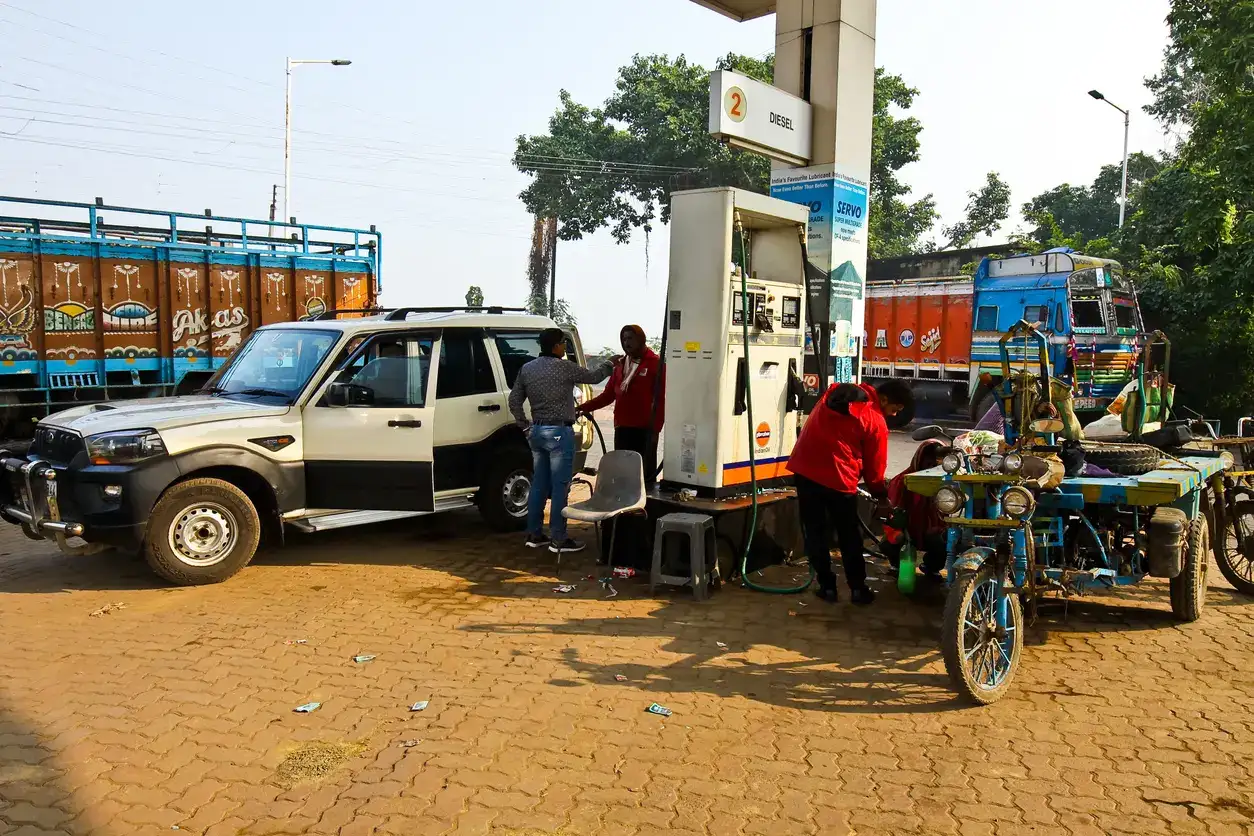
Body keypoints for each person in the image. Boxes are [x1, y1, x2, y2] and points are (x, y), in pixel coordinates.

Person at [787, 379, 912, 604]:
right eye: (895, 409)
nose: (893, 415)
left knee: (814, 532)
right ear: (884, 399)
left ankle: (826, 588)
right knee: (849, 536)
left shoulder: (834, 392)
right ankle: (857, 589)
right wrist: (880, 495)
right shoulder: (875, 420)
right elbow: (876, 466)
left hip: (805, 470)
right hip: (838, 478)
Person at [509, 328, 616, 553]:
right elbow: (594, 377)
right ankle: (559, 539)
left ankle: (534, 534)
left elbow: (514, 401)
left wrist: (526, 427)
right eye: (563, 344)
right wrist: (609, 364)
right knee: (560, 487)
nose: (565, 348)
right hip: (559, 433)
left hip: (537, 432)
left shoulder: (527, 369)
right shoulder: (564, 368)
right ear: (556, 346)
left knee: (539, 484)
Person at [576, 324, 665, 483]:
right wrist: (583, 408)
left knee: (644, 474)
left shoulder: (655, 364)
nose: (626, 343)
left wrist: (656, 428)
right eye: (624, 339)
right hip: (623, 427)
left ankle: (646, 505)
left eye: (630, 338)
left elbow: (662, 399)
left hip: (645, 429)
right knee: (624, 471)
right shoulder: (620, 365)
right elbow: (608, 396)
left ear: (641, 339)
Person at [883, 439, 947, 579]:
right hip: (906, 528)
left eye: (935, 461)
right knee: (891, 541)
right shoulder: (901, 481)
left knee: (945, 541)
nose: (931, 465)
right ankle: (896, 564)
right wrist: (898, 531)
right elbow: (891, 513)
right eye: (928, 461)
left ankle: (931, 567)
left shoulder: (945, 482)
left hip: (930, 529)